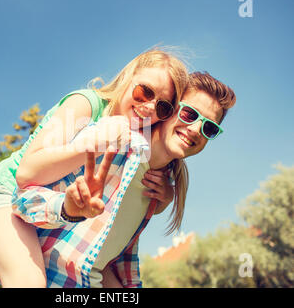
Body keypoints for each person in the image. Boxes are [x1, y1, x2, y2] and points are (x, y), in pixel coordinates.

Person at [0, 48, 189, 287]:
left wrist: (165, 199)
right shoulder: (87, 105)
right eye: (144, 91)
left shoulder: (137, 139)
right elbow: (27, 173)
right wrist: (95, 143)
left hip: (54, 214)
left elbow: (132, 204)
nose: (149, 107)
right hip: (6, 195)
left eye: (162, 107)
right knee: (29, 282)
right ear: (128, 77)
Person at [12, 71, 237, 287]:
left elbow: (115, 253)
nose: (197, 129)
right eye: (189, 114)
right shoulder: (113, 141)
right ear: (167, 109)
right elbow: (23, 198)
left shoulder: (161, 184)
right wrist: (66, 208)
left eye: (209, 127)